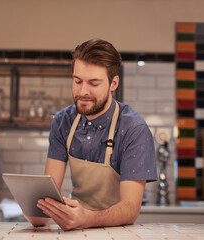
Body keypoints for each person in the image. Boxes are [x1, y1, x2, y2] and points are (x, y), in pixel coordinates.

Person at [26, 39, 157, 231]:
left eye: (93, 83)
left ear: (114, 83)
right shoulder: (63, 121)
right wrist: (39, 210)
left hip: (119, 232)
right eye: (77, 81)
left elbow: (130, 209)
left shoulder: (134, 129)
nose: (82, 91)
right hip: (77, 231)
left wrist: (87, 218)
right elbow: (49, 189)